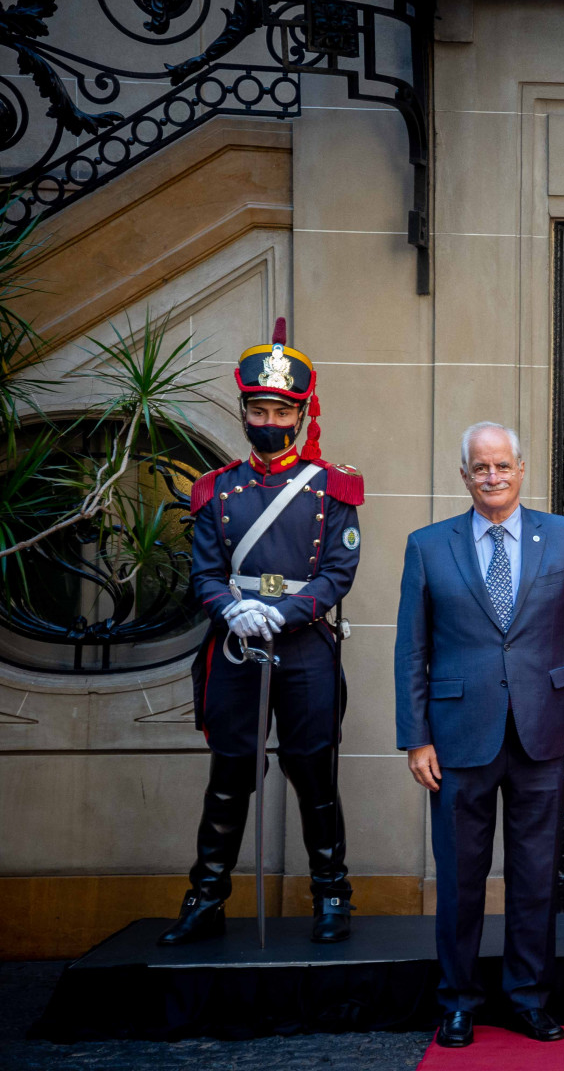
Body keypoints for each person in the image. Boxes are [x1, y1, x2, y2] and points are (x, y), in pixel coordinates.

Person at [394, 421, 564, 1048]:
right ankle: (458, 1000)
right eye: (480, 468)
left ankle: (528, 997)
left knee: (536, 875)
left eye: (502, 466)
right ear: (465, 476)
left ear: (521, 470)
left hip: (545, 733)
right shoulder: (429, 545)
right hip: (457, 736)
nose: (492, 477)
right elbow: (412, 649)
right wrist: (416, 737)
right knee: (459, 877)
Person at [163, 317, 362, 946]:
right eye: (258, 408)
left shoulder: (334, 489)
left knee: (314, 775)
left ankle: (332, 894)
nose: (269, 421)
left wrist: (286, 613)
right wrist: (233, 608)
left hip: (303, 649)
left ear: (301, 415)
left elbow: (337, 572)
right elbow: (202, 574)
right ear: (244, 410)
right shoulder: (214, 490)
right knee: (229, 778)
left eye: (281, 410)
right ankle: (206, 897)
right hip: (236, 649)